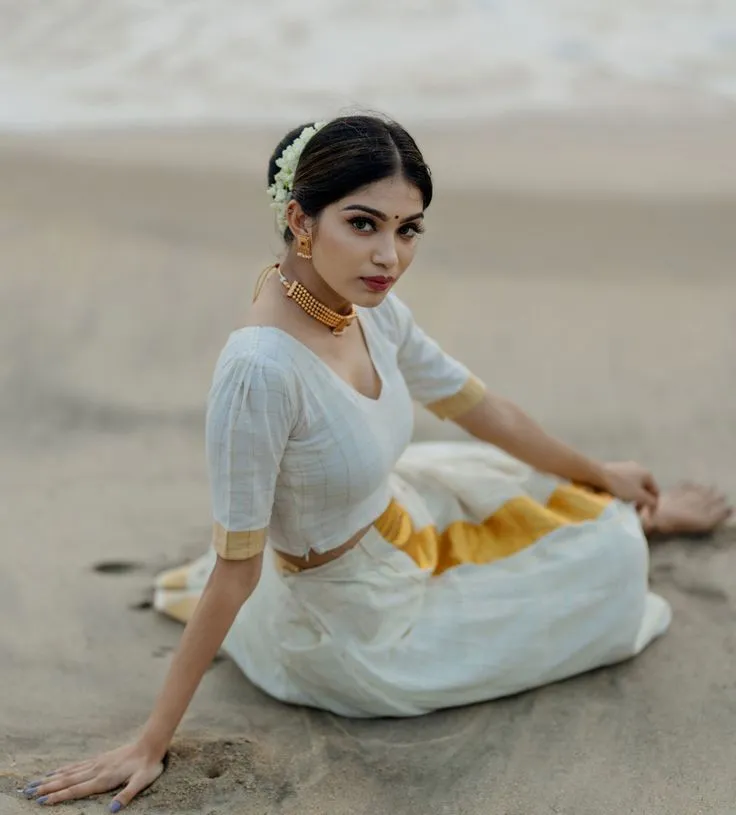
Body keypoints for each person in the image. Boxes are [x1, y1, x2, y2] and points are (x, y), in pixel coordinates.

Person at [22, 114, 731, 811]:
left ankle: (630, 510)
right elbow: (236, 568)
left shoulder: (372, 310)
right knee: (605, 563)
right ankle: (634, 527)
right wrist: (150, 742)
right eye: (364, 224)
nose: (390, 256)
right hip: (356, 623)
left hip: (399, 514)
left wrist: (600, 471)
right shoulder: (261, 372)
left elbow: (479, 408)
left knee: (539, 480)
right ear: (301, 221)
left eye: (408, 228)